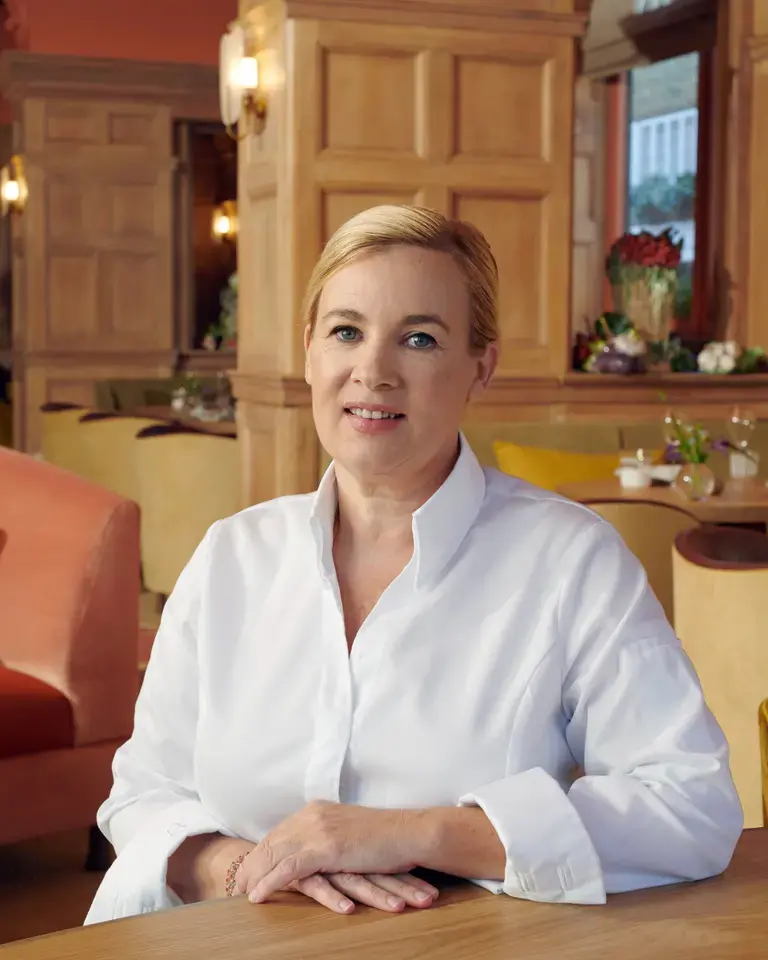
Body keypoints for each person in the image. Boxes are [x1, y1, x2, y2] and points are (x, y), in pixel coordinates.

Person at [85, 205, 742, 924]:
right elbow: (143, 792)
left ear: (480, 367)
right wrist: (250, 868)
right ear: (310, 352)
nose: (372, 371)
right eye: (346, 332)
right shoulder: (231, 557)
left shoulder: (568, 561)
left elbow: (691, 803)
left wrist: (415, 832)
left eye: (420, 339)